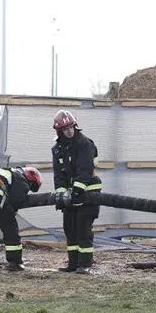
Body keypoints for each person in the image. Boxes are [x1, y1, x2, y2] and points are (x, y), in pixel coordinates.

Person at [51, 110, 102, 275]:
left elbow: (85, 170)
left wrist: (78, 189)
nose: (70, 131)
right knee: (69, 228)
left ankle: (86, 264)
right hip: (70, 195)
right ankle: (73, 263)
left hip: (88, 192)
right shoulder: (57, 149)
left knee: (82, 227)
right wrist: (60, 194)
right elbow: (59, 174)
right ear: (59, 131)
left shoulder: (85, 144)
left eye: (72, 127)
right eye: (66, 129)